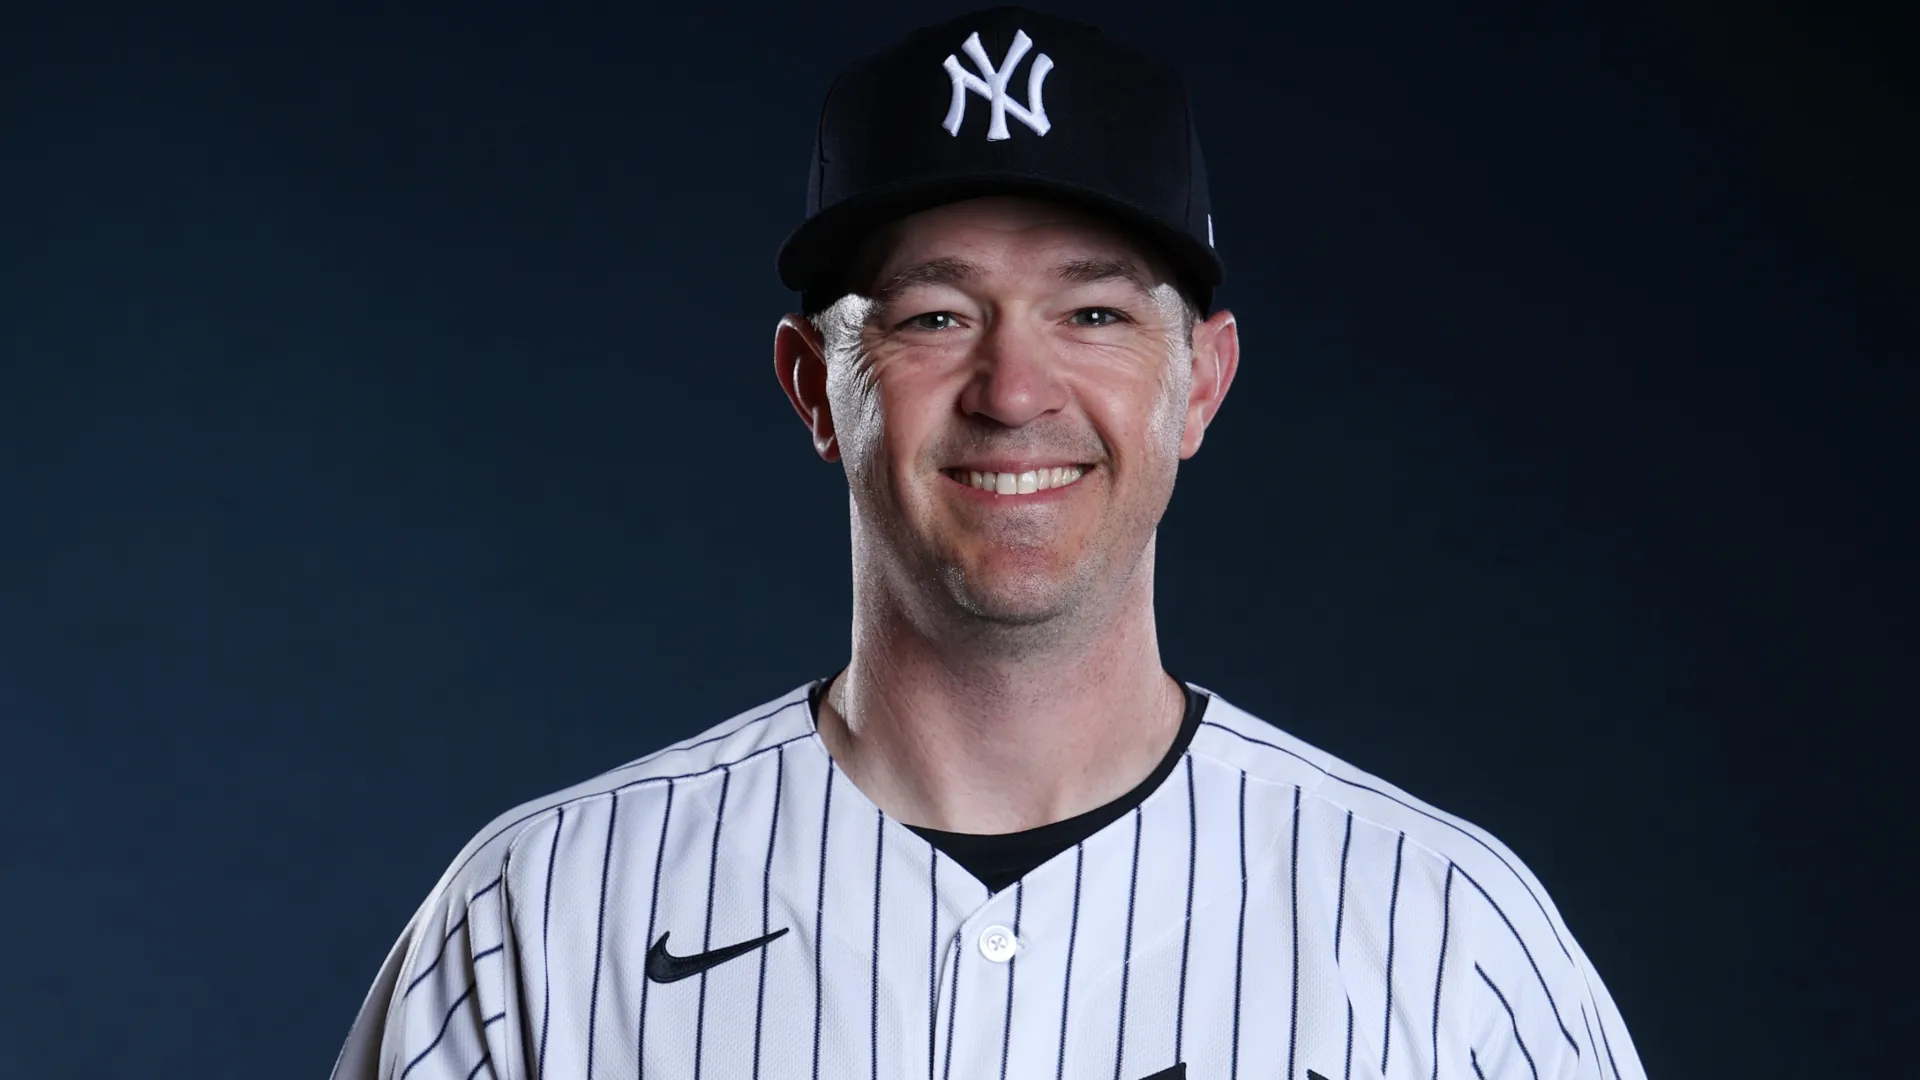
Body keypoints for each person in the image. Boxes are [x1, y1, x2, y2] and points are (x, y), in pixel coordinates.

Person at [331, 8, 1646, 1079]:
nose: (1014, 392)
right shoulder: (543, 923)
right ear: (812, 385)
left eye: (1091, 314)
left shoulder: (1444, 941)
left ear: (1200, 385)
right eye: (936, 317)